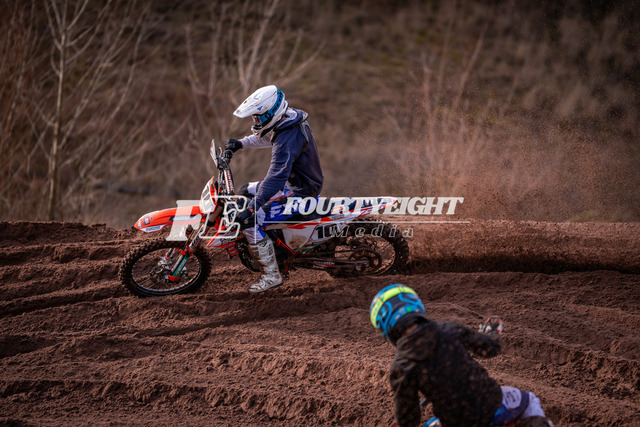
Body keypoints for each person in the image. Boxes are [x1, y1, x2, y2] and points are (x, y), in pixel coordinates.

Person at [370, 284, 553, 427]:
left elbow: (409, 420)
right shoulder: (449, 330)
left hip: (456, 422)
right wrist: (491, 331)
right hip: (493, 405)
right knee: (530, 400)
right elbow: (491, 348)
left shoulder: (401, 367)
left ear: (385, 327)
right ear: (416, 305)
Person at [224, 85, 324, 293]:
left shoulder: (288, 137)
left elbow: (276, 177)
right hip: (293, 185)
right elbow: (268, 136)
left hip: (301, 193)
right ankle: (265, 240)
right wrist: (241, 144)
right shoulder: (287, 120)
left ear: (271, 112)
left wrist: (252, 207)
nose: (256, 121)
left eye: (258, 117)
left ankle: (272, 275)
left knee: (250, 219)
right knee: (245, 189)